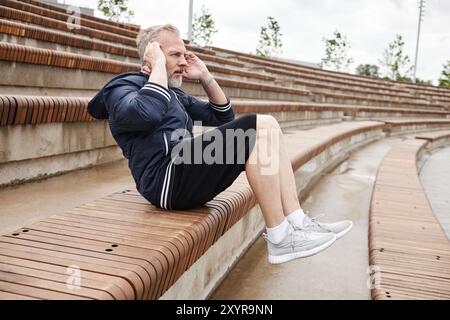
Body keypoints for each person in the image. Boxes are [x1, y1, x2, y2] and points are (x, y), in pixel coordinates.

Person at [87, 24, 352, 265]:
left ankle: (297, 221)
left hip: (185, 175)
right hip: (164, 182)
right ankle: (280, 237)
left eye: (184, 54)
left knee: (267, 126)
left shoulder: (174, 93)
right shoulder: (122, 87)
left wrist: (205, 77)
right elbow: (145, 113)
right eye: (174, 55)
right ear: (151, 54)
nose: (182, 61)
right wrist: (156, 67)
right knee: (257, 125)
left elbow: (222, 117)